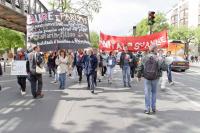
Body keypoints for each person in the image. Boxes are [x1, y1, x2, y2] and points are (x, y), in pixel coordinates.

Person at [137, 45, 167, 114]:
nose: (157, 50)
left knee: (147, 93)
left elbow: (140, 66)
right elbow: (164, 68)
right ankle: (153, 108)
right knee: (154, 92)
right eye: (157, 49)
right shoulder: (159, 58)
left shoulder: (145, 57)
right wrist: (163, 60)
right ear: (155, 50)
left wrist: (139, 76)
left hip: (147, 77)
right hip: (155, 78)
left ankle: (147, 109)